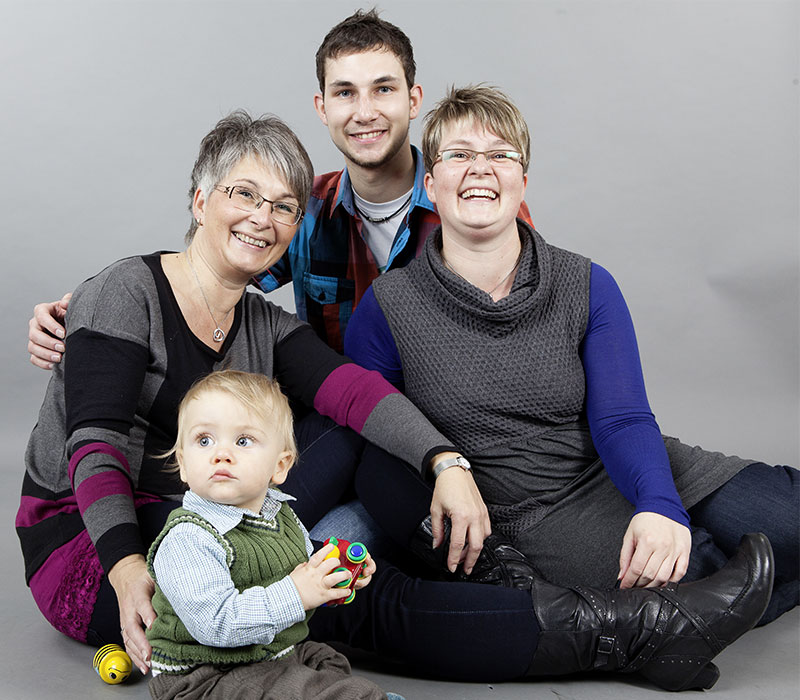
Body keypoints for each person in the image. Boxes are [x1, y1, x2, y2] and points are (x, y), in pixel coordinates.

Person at [16, 107, 776, 693]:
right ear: (200, 198)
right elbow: (92, 443)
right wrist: (122, 565)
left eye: (283, 206)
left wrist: (446, 462)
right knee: (349, 600)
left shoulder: (262, 324)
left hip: (224, 515)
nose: (262, 217)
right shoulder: (124, 291)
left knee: (366, 430)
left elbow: (356, 391)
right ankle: (619, 631)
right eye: (243, 194)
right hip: (106, 548)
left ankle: (501, 579)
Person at [26, 8, 527, 575]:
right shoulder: (302, 210)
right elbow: (214, 267)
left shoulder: (470, 200)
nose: (364, 112)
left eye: (382, 89)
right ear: (323, 108)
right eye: (345, 92)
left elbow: (521, 344)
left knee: (334, 557)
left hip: (443, 432)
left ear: (413, 99)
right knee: (321, 555)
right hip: (345, 430)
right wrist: (85, 308)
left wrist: (448, 459)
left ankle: (451, 562)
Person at [344, 85, 799, 626]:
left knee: (789, 519)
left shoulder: (585, 282)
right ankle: (719, 597)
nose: (480, 169)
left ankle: (732, 581)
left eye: (500, 155)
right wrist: (446, 467)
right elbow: (383, 441)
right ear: (431, 186)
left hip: (621, 460)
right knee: (703, 578)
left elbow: (623, 418)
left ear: (522, 181)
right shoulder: (388, 306)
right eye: (459, 155)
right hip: (536, 508)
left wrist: (659, 504)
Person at [146, 370, 402, 700]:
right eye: (204, 440)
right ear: (183, 463)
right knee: (350, 693)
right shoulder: (187, 539)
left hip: (266, 654)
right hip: (204, 677)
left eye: (243, 441)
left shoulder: (281, 515)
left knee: (326, 662)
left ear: (279, 467)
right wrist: (298, 593)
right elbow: (218, 624)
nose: (220, 453)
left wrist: (331, 573)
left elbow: (296, 569)